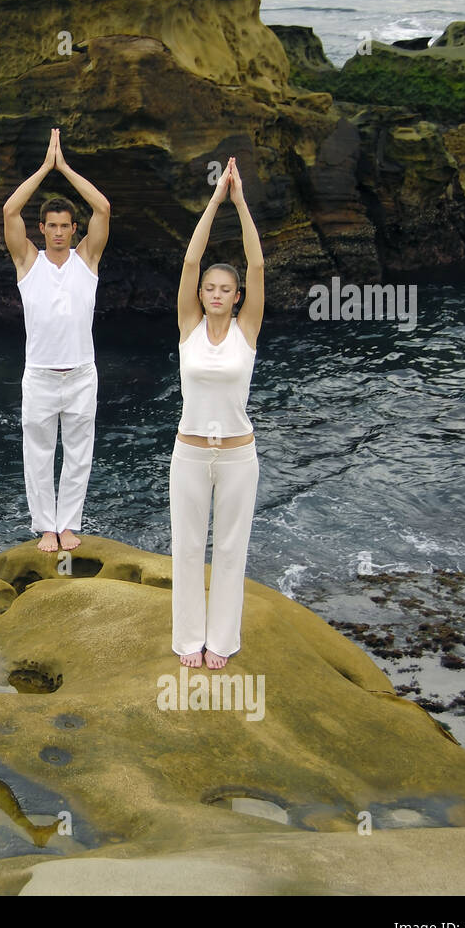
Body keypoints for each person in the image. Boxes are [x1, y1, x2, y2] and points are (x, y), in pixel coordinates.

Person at [172, 156, 264, 670]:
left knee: (230, 549)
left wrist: (240, 201)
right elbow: (190, 262)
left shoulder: (246, 331)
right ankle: (188, 638)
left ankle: (220, 641)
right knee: (187, 548)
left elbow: (258, 265)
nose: (216, 295)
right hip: (188, 453)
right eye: (210, 289)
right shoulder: (187, 326)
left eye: (225, 290)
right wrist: (214, 199)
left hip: (237, 455)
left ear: (237, 298)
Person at [3, 127, 111, 553]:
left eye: (66, 226)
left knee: (79, 453)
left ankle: (68, 524)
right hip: (42, 376)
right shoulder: (29, 261)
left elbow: (103, 207)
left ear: (73, 228)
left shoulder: (87, 260)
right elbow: (11, 212)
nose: (60, 232)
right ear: (43, 229)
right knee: (39, 453)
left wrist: (65, 168)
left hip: (82, 373)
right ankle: (45, 526)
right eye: (53, 226)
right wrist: (43, 168)